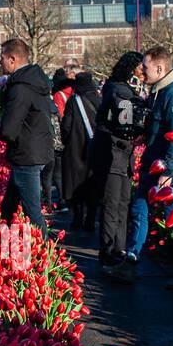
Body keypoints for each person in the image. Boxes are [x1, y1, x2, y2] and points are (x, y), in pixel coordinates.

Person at [116, 46, 173, 283]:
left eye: (145, 68)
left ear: (159, 68)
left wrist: (168, 171)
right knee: (139, 210)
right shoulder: (159, 92)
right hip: (153, 165)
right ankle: (131, 260)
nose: (141, 73)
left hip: (167, 170)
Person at [0, 39, 54, 235]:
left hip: (26, 153)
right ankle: (3, 239)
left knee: (32, 211)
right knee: (9, 205)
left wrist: (0, 126)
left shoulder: (20, 87)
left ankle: (45, 251)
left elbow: (10, 128)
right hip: (37, 149)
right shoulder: (36, 81)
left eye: (2, 58)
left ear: (12, 59)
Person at [94, 51, 147, 271]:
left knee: (123, 202)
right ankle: (109, 251)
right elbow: (126, 124)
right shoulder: (120, 92)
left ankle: (118, 247)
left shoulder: (121, 90)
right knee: (112, 204)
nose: (144, 72)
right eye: (140, 68)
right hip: (114, 154)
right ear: (131, 69)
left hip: (121, 156)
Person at [60, 71, 99, 231]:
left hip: (75, 151)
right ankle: (90, 219)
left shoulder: (73, 102)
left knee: (75, 186)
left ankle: (77, 218)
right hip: (95, 149)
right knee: (93, 186)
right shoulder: (99, 100)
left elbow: (66, 127)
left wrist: (67, 141)